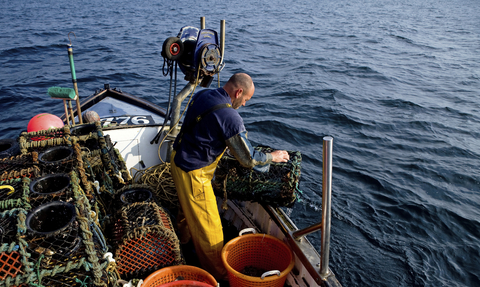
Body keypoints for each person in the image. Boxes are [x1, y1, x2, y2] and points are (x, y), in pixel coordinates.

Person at [170, 73, 290, 279]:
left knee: (185, 212)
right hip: (194, 174)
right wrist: (273, 156)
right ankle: (218, 276)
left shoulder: (204, 95)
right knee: (211, 231)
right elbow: (248, 159)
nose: (244, 104)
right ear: (239, 92)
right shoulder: (230, 117)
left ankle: (184, 244)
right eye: (246, 100)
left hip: (178, 160)